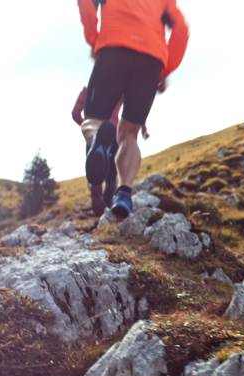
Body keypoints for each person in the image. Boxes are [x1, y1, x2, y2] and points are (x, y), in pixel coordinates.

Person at [78, 0, 189, 218]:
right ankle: (124, 192)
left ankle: (97, 139)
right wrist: (166, 67)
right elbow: (181, 29)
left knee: (93, 119)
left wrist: (94, 38)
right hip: (150, 58)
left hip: (113, 48)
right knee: (129, 132)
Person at [72, 87, 123, 216]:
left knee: (95, 175)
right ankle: (108, 208)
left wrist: (87, 128)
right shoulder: (118, 92)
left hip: (93, 137)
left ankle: (99, 211)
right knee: (111, 175)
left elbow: (75, 113)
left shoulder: (87, 91)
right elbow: (132, 110)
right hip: (112, 135)